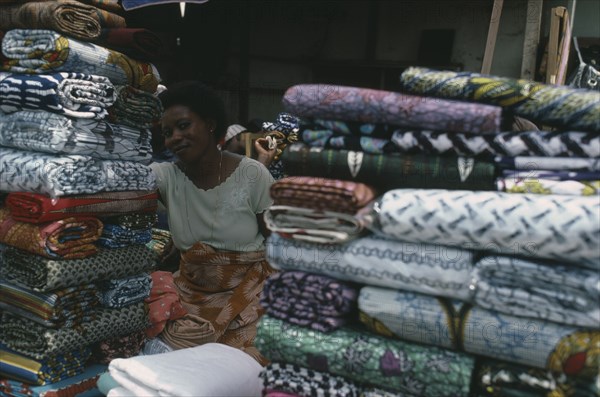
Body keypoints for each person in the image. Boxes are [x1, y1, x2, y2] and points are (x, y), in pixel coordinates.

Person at [149, 81, 276, 365]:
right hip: (190, 297)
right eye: (167, 133)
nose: (174, 138)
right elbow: (123, 181)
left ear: (209, 124)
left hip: (248, 296)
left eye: (183, 126)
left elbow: (276, 241)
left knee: (240, 365)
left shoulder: (252, 174)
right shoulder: (165, 176)